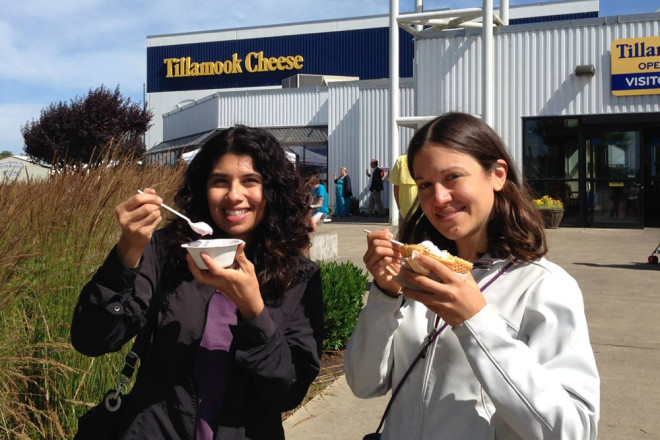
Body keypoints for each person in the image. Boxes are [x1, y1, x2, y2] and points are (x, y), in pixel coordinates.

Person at [345, 112, 600, 439]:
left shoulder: (544, 286)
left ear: (497, 174)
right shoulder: (414, 274)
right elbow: (364, 384)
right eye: (425, 184)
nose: (437, 198)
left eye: (453, 177)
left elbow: (572, 431)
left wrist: (475, 320)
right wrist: (384, 296)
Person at [71, 125, 324, 440]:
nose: (234, 195)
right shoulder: (167, 251)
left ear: (271, 190)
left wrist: (254, 311)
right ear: (204, 188)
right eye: (220, 181)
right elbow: (92, 339)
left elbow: (289, 391)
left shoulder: (298, 275)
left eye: (250, 181)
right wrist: (128, 250)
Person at [388, 154, 417, 220]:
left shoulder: (401, 160)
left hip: (405, 210)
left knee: (405, 230)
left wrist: (399, 205)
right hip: (425, 212)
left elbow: (396, 187)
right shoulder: (428, 159)